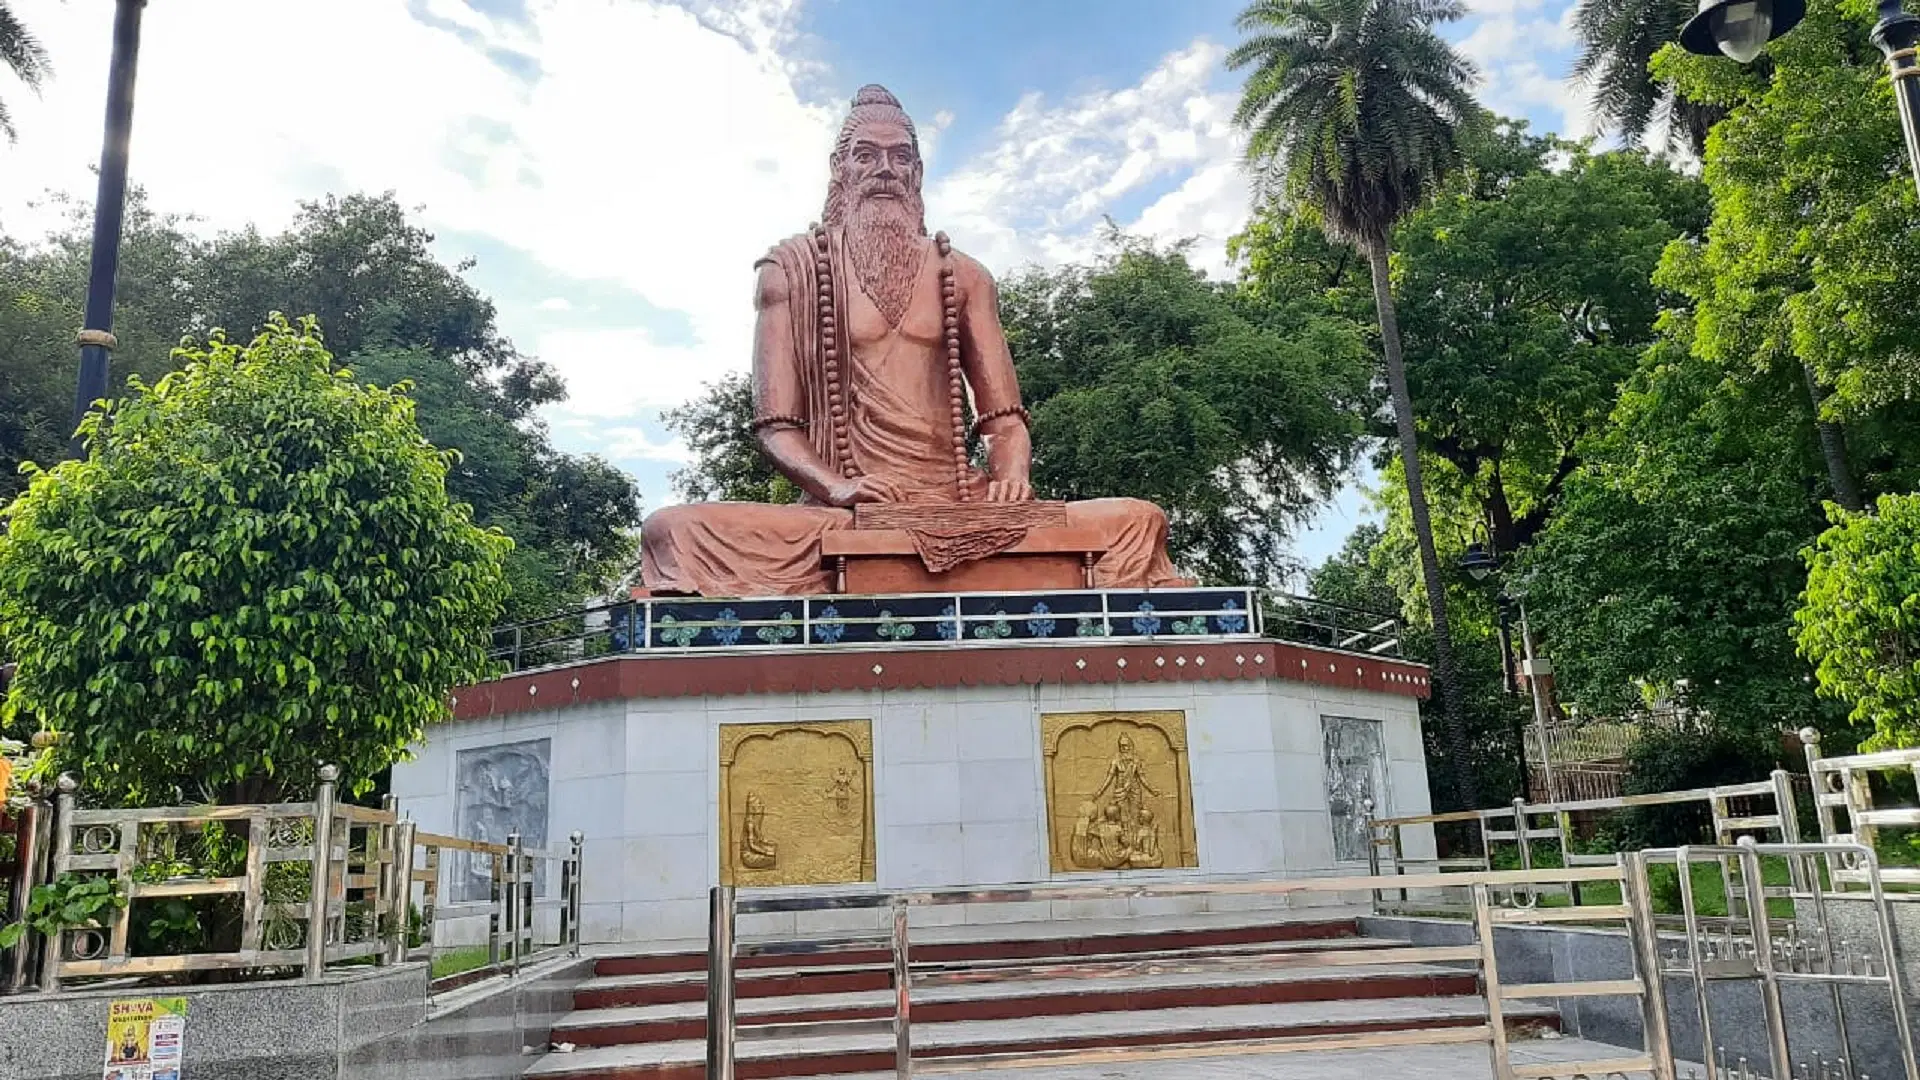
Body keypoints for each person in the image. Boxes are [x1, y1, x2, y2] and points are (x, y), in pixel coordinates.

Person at [640, 85, 1183, 597]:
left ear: (918, 172)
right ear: (841, 168)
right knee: (674, 531)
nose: (885, 170)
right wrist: (837, 487)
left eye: (901, 157)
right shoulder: (793, 270)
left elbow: (1003, 420)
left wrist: (1011, 477)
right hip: (847, 509)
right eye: (867, 155)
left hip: (959, 500)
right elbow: (777, 427)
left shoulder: (965, 275)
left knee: (1138, 520)